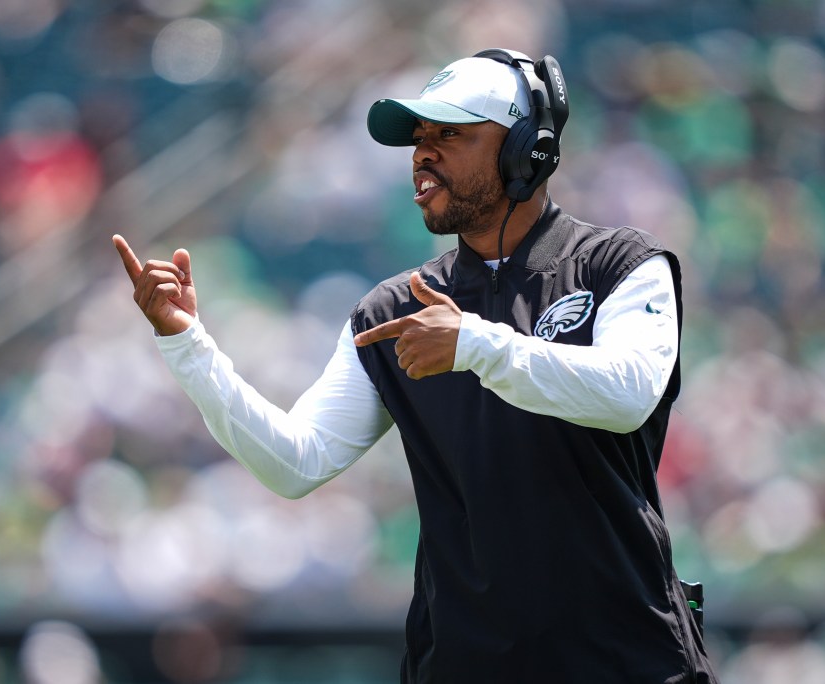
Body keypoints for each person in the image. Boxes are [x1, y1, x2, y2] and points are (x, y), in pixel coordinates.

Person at [113, 48, 718, 683]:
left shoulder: (620, 263)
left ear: (527, 150)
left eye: (449, 134)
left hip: (630, 663)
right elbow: (296, 462)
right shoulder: (393, 307)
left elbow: (628, 395)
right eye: (418, 139)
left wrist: (475, 345)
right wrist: (186, 343)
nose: (423, 154)